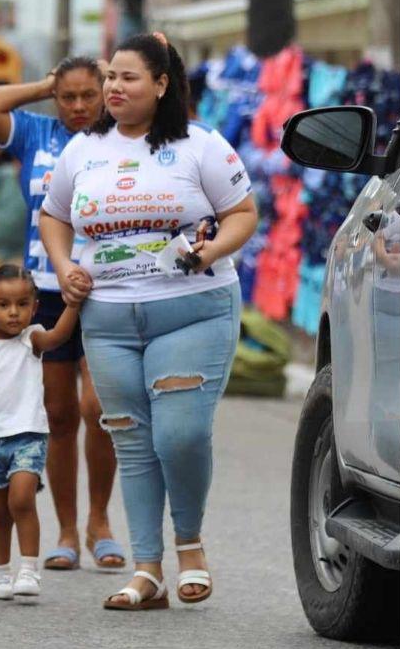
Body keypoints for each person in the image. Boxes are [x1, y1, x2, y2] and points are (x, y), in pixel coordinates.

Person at [39, 32, 258, 611]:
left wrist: (210, 252)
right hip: (108, 318)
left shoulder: (200, 145)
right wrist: (64, 267)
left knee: (179, 434)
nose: (113, 87)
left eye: (128, 77)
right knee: (132, 442)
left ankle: (189, 544)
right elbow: (53, 215)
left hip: (192, 311)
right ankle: (147, 569)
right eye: (110, 76)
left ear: (162, 85)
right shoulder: (83, 149)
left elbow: (242, 213)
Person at [0, 58, 125, 571]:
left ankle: (100, 521)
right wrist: (45, 84)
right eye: (69, 97)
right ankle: (64, 530)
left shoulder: (120, 136)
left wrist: (110, 75)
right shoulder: (34, 131)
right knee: (58, 416)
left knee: (97, 408)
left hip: (107, 287)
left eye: (89, 95)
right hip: (45, 289)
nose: (80, 106)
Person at [0, 264, 82, 601]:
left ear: (34, 307)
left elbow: (58, 337)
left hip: (28, 436)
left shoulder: (31, 338)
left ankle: (28, 568)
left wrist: (73, 305)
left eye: (22, 304)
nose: (13, 312)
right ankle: (0, 573)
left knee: (21, 499)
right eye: (4, 305)